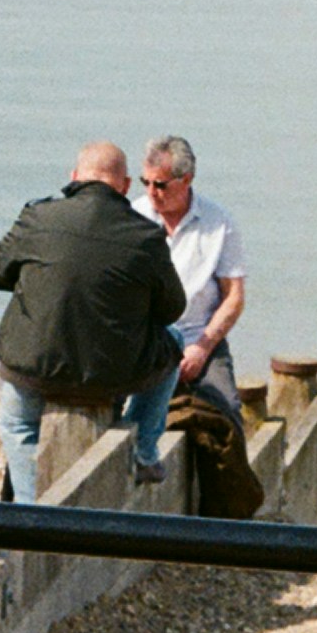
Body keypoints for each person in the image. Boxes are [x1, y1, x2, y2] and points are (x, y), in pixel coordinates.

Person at [0, 142, 187, 501]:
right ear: (125, 185)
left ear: (74, 177)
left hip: (32, 366)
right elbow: (172, 309)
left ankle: (31, 511)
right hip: (110, 375)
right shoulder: (146, 235)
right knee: (174, 338)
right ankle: (144, 450)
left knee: (18, 426)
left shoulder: (37, 217)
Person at [123, 131, 246, 428]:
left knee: (227, 412)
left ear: (186, 179)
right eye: (145, 183)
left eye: (160, 185)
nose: (152, 192)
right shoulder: (132, 216)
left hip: (199, 337)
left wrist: (202, 347)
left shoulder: (219, 222)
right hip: (146, 339)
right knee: (121, 412)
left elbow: (234, 296)